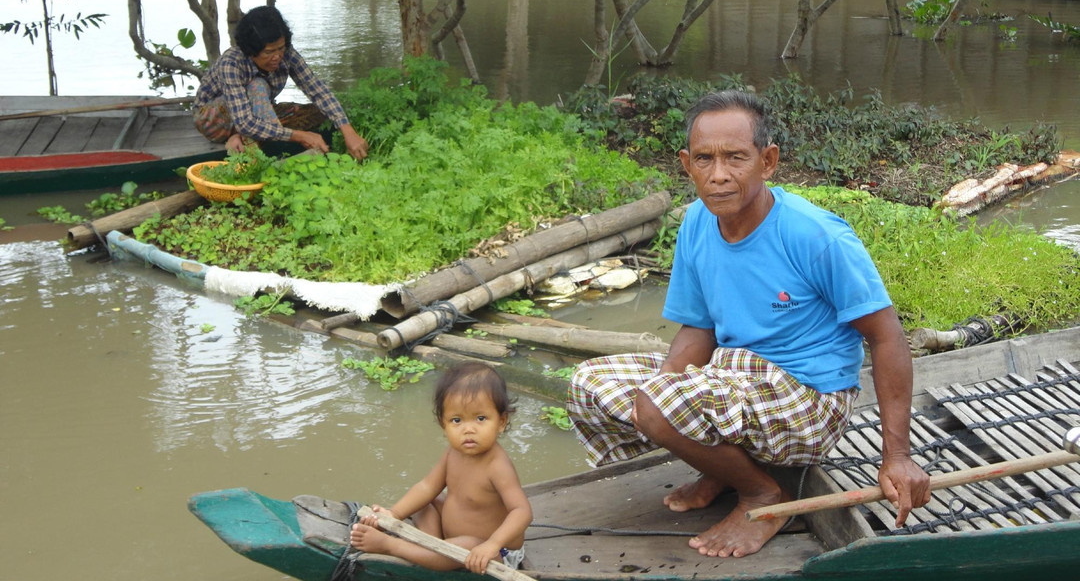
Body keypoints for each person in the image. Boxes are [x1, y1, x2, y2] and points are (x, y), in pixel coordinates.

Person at [566, 90, 931, 559]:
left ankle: (764, 495)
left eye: (736, 158)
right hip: (735, 379)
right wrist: (660, 406)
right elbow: (699, 329)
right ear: (686, 164)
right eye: (705, 159)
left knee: (659, 403)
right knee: (590, 384)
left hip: (810, 398)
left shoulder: (813, 234)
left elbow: (886, 336)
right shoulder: (698, 222)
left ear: (768, 161)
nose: (719, 175)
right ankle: (724, 468)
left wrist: (897, 457)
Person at [350, 362, 533, 573]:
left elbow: (522, 511)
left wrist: (492, 544)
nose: (468, 429)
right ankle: (432, 547)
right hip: (451, 540)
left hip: (492, 553)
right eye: (457, 420)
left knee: (469, 544)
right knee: (426, 502)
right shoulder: (452, 453)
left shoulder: (497, 465)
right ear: (442, 423)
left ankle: (393, 546)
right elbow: (427, 487)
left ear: (501, 422)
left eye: (480, 418)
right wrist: (394, 514)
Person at [192, 5, 368, 161]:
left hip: (254, 112)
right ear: (251, 50)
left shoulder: (287, 54)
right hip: (213, 120)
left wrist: (348, 130)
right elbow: (244, 121)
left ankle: (242, 137)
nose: (277, 57)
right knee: (258, 85)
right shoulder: (231, 62)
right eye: (269, 52)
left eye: (281, 48)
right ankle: (257, 154)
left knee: (315, 112)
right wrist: (300, 136)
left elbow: (317, 89)